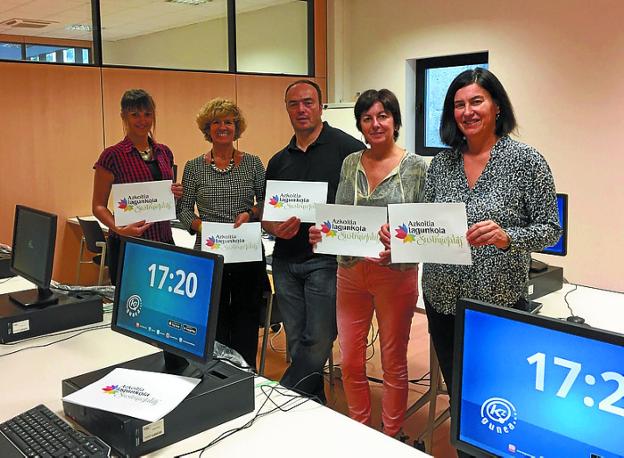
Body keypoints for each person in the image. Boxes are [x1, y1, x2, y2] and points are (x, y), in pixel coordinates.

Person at [380, 68, 560, 455]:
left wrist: (508, 236)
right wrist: (398, 240)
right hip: (443, 298)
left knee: (498, 399)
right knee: (460, 393)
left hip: (497, 302)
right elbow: (426, 227)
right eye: (459, 105)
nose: (468, 111)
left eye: (476, 101)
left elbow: (550, 228)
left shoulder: (526, 161)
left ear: (496, 105)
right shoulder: (441, 165)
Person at [311, 89, 426, 436]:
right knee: (349, 360)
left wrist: (405, 242)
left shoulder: (417, 167)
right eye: (367, 118)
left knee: (393, 362)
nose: (375, 124)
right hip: (350, 272)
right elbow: (339, 214)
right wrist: (322, 232)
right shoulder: (349, 162)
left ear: (395, 121)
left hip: (395, 275)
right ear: (360, 124)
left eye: (383, 116)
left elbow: (427, 228)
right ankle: (360, 429)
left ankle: (391, 435)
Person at [263, 80, 365, 402]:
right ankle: (310, 404)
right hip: (284, 260)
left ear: (321, 107)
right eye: (294, 104)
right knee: (296, 341)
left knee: (318, 339)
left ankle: (281, 398)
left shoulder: (349, 150)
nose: (301, 109)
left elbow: (363, 205)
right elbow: (267, 215)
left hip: (327, 260)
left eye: (308, 102)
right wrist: (274, 227)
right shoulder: (279, 161)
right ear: (287, 110)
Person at [177, 98, 268, 369]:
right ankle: (215, 374)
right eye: (216, 122)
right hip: (209, 253)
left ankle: (246, 374)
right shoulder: (194, 167)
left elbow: (266, 203)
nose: (222, 127)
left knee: (246, 317)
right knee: (213, 317)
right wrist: (201, 227)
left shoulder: (253, 163)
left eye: (228, 121)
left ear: (236, 127)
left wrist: (250, 214)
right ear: (208, 129)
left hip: (246, 251)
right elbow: (183, 210)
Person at [92, 89, 183, 284]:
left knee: (163, 305)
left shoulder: (164, 152)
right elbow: (98, 206)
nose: (142, 120)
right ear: (124, 116)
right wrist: (119, 228)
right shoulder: (112, 155)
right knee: (131, 307)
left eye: (147, 114)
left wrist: (174, 193)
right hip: (129, 245)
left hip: (164, 240)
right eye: (135, 115)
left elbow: (164, 197)